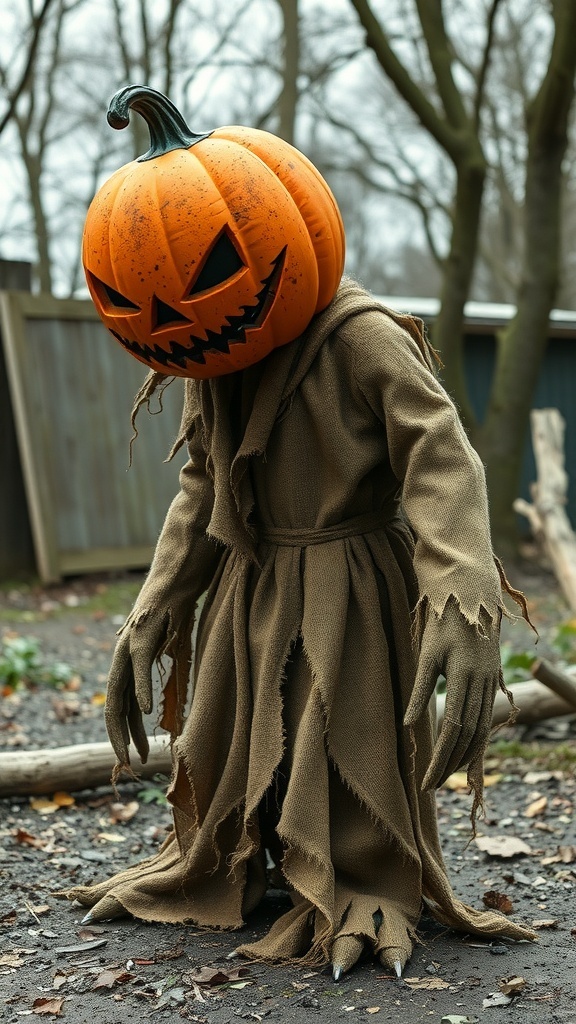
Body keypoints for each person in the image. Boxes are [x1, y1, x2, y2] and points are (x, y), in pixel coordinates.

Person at [68, 86, 535, 978]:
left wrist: (464, 584)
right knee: (236, 732)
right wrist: (159, 603)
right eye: (142, 296)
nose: (169, 315)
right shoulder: (216, 360)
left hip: (352, 578)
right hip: (252, 579)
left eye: (203, 272)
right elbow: (204, 485)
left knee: (344, 729)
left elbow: (441, 457)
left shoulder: (359, 337)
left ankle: (362, 880)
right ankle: (233, 858)